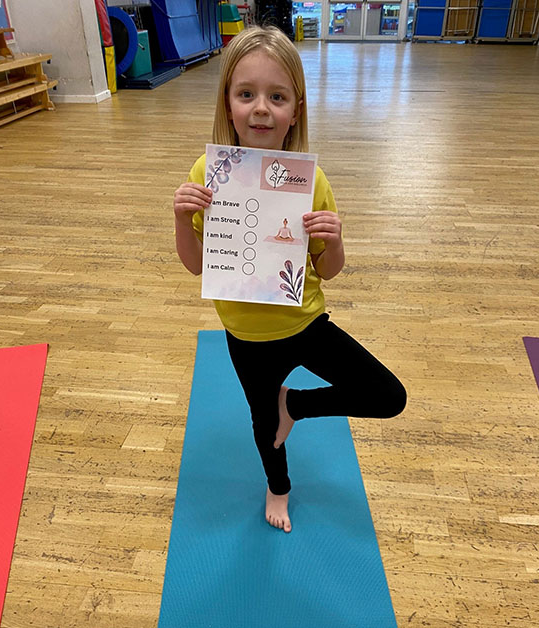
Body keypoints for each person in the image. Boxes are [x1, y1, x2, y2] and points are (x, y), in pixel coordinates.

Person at [173, 26, 406, 534]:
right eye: (247, 94)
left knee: (388, 396)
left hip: (304, 322)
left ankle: (295, 403)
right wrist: (180, 218)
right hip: (246, 338)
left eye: (276, 97)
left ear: (294, 110)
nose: (261, 108)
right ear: (228, 105)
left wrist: (336, 240)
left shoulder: (311, 180)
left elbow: (328, 269)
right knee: (263, 425)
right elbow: (195, 265)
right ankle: (278, 486)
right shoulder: (207, 173)